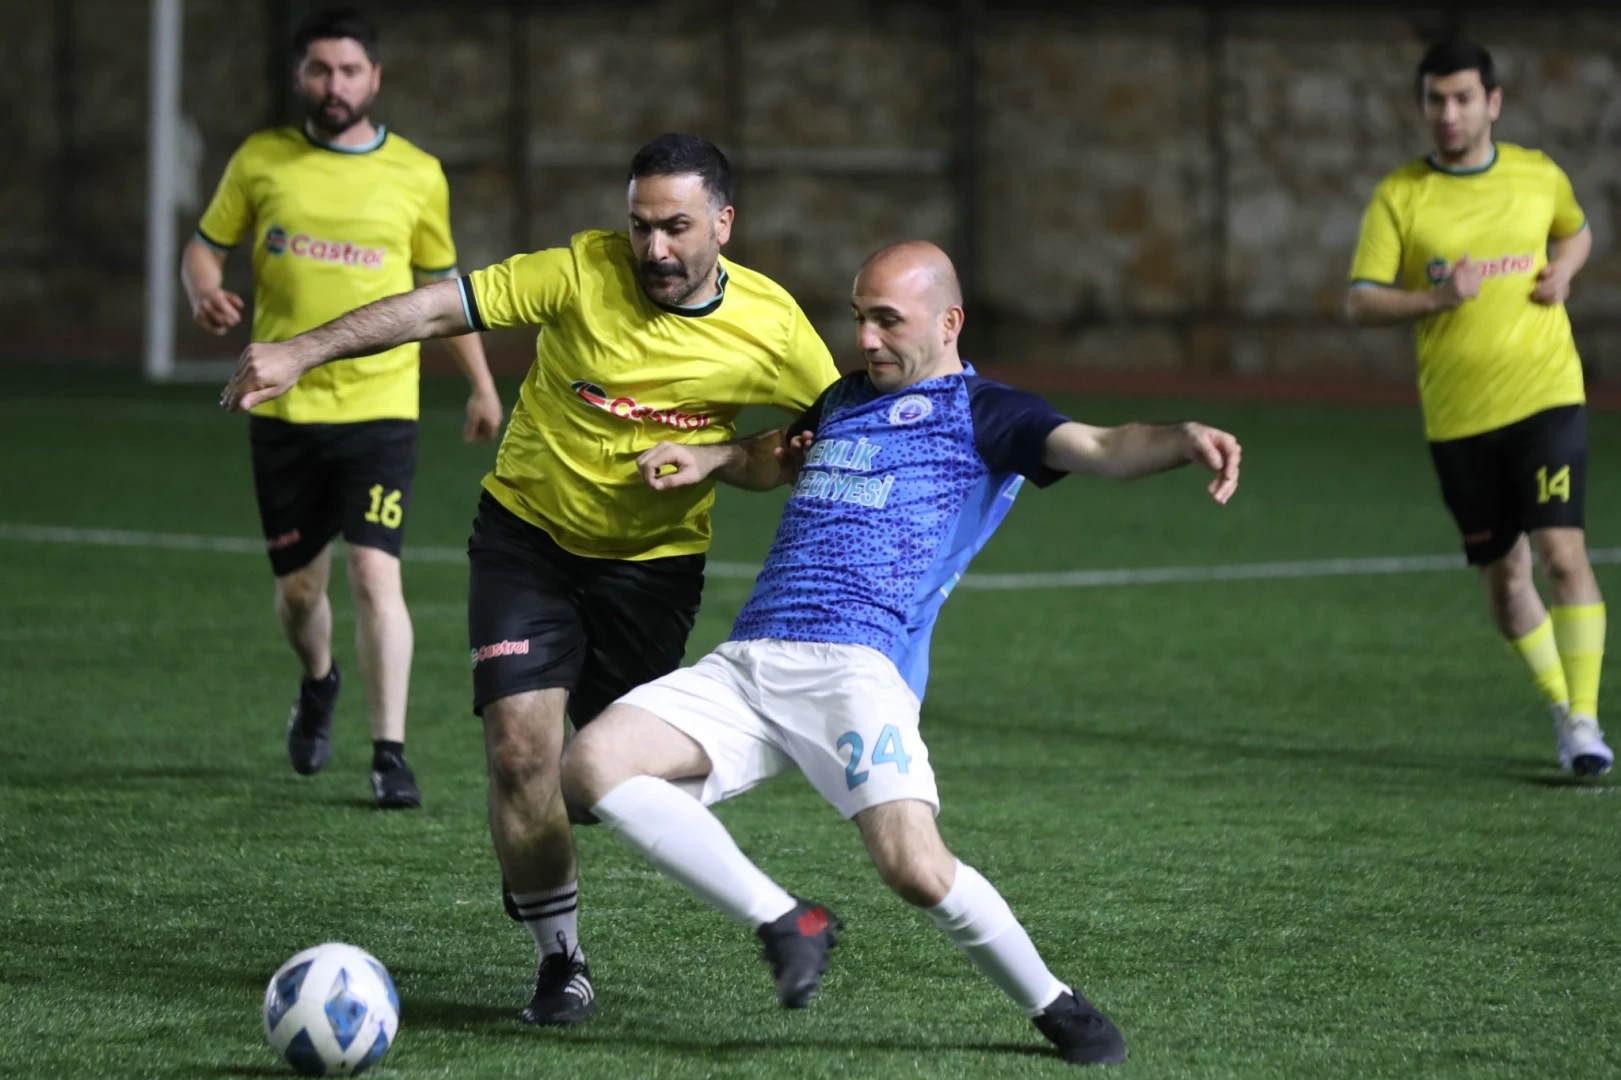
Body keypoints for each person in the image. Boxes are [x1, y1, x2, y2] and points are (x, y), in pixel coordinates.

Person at [559, 241, 1242, 1067]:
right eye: (859, 318)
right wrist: (713, 456)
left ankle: (1053, 1002)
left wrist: (1181, 437)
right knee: (591, 766)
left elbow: (1100, 446)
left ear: (948, 322)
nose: (866, 339)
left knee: (915, 869)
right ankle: (786, 920)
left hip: (856, 669)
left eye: (887, 320)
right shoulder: (845, 397)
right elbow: (776, 454)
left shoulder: (987, 412)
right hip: (749, 659)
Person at [220, 133, 841, 1024]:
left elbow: (808, 446)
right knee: (520, 756)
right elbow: (433, 309)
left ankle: (653, 873)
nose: (653, 249)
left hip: (651, 575)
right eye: (640, 226)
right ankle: (560, 961)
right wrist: (303, 351)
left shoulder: (773, 328)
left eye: (675, 228)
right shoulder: (577, 272)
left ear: (723, 224)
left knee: (616, 785)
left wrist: (718, 455)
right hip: (526, 544)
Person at [183, 6, 502, 810]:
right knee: (300, 593)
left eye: (350, 70)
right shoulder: (261, 159)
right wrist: (203, 291)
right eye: (320, 69)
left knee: (372, 572)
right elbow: (203, 248)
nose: (335, 85)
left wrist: (481, 383)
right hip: (282, 408)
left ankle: (390, 754)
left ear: (375, 78)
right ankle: (318, 679)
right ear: (301, 76)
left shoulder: (417, 173)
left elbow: (442, 292)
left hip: (380, 406)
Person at [1345, 40, 1609, 776]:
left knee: (1562, 555)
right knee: (1505, 582)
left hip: (1546, 395)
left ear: (1492, 103)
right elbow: (1360, 301)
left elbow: (1577, 230)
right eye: (1435, 99)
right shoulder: (1401, 194)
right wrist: (1436, 298)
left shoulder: (1536, 173)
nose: (1449, 113)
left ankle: (1585, 721)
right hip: (1459, 419)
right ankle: (1561, 705)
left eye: (1462, 98)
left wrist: (1565, 269)